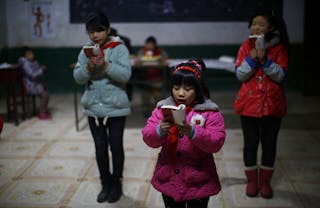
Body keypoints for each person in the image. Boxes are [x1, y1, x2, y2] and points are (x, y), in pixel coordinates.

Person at [142, 59, 226, 208]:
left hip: (198, 179)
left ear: (198, 89)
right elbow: (148, 138)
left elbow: (216, 142)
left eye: (187, 89)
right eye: (176, 87)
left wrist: (193, 132)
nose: (180, 93)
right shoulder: (163, 109)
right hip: (169, 176)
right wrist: (160, 130)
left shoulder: (209, 111)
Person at [73, 12, 131, 203]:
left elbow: (125, 76)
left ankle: (117, 183)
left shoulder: (119, 48)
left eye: (99, 30)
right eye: (91, 32)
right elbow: (77, 78)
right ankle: (105, 183)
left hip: (116, 106)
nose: (95, 35)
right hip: (93, 107)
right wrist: (87, 68)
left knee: (116, 147)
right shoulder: (85, 51)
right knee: (100, 147)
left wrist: (106, 65)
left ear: (107, 29)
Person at [233, 10, 289, 199]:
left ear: (271, 27)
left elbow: (280, 76)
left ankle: (265, 182)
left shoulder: (279, 48)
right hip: (248, 106)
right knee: (250, 144)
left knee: (269, 144)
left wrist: (265, 60)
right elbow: (240, 75)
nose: (256, 27)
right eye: (254, 24)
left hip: (272, 107)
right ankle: (252, 181)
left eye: (261, 24)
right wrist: (252, 58)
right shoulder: (244, 47)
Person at [135, 36, 169, 117]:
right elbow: (137, 62)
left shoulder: (160, 52)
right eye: (148, 44)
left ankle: (160, 112)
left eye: (151, 44)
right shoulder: (142, 52)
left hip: (158, 79)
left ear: (154, 45)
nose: (150, 46)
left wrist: (161, 61)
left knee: (159, 97)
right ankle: (146, 112)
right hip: (145, 79)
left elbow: (165, 61)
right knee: (145, 96)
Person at [18, 46, 50, 120]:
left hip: (36, 84)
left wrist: (41, 69)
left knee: (46, 93)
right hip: (30, 85)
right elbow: (32, 75)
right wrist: (41, 70)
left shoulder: (34, 62)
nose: (31, 55)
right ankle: (42, 112)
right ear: (24, 56)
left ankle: (43, 110)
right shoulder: (26, 64)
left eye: (31, 53)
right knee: (44, 95)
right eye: (28, 54)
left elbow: (37, 71)